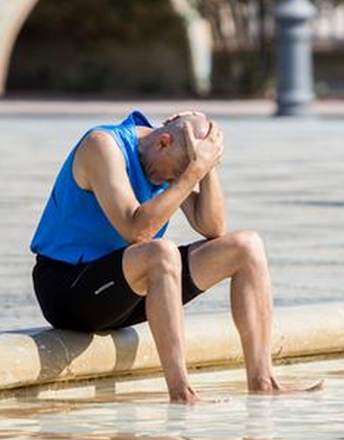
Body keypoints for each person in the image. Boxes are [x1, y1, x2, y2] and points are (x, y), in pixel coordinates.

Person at [30, 110, 323, 404]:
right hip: (68, 291)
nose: (170, 181)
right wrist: (192, 171)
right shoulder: (103, 146)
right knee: (161, 251)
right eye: (175, 174)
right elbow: (136, 230)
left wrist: (208, 165)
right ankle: (181, 392)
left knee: (247, 247)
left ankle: (263, 381)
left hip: (125, 289)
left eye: (180, 176)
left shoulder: (169, 158)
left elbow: (212, 227)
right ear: (162, 142)